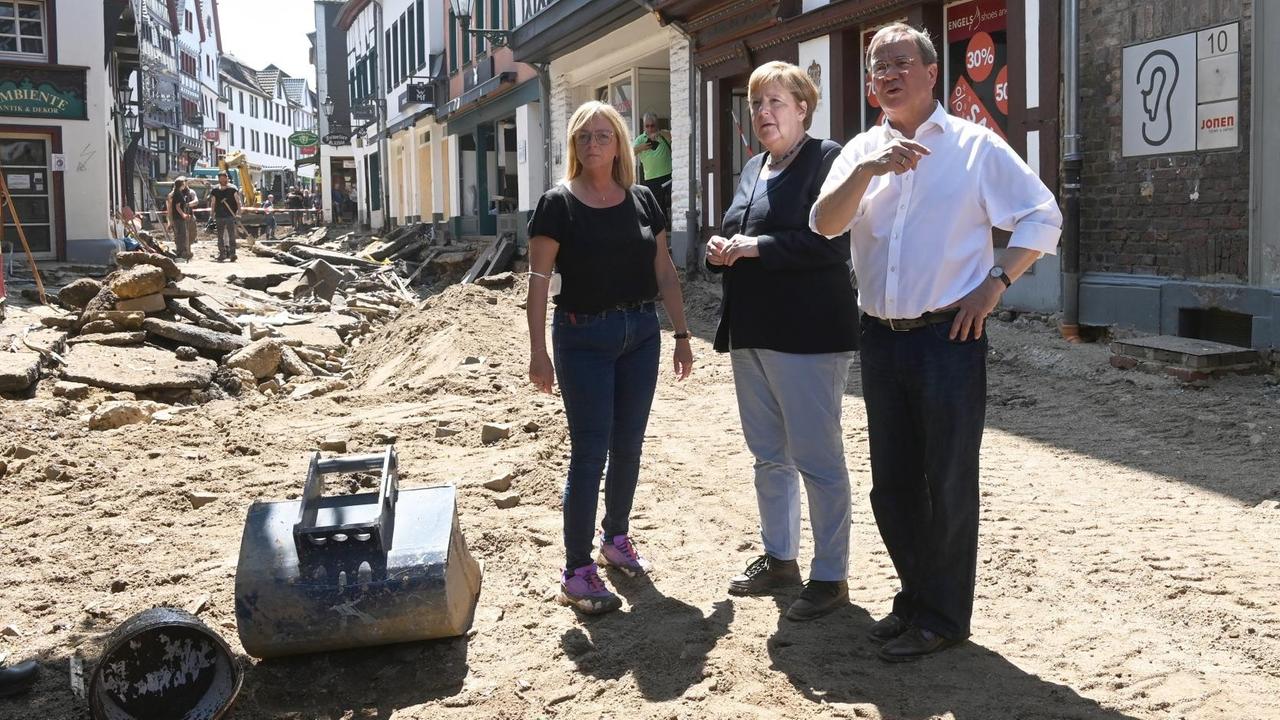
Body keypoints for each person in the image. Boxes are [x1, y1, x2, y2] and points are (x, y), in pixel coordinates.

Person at [811, 23, 1063, 661]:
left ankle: (944, 617)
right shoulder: (860, 151)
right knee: (892, 486)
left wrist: (998, 282)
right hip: (880, 338)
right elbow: (823, 224)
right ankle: (916, 598)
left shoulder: (975, 148)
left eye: (900, 63)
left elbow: (1043, 214)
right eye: (877, 67)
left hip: (948, 338)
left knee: (947, 480)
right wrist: (867, 168)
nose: (887, 75)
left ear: (930, 72)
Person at [526, 100, 694, 615]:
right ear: (574, 146)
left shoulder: (643, 200)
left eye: (603, 135)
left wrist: (683, 333)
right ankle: (578, 569)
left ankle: (615, 538)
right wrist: (538, 352)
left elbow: (664, 270)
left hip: (641, 333)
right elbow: (536, 284)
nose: (594, 143)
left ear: (619, 141)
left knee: (629, 446)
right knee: (589, 452)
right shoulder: (557, 204)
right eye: (584, 136)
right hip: (583, 338)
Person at [706, 61, 860, 621]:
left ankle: (830, 576)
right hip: (752, 330)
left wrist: (757, 248)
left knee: (817, 459)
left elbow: (832, 245)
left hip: (809, 334)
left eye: (775, 102)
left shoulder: (827, 159)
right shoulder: (753, 167)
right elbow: (734, 228)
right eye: (755, 105)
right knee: (769, 456)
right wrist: (721, 248)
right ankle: (780, 559)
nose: (764, 114)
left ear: (803, 107)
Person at [633, 112, 673, 223]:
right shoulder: (640, 139)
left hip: (668, 175)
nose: (650, 128)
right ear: (644, 126)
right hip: (651, 178)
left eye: (652, 125)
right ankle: (663, 226)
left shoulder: (663, 135)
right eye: (647, 126)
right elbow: (629, 152)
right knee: (658, 206)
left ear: (657, 125)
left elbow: (675, 138)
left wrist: (660, 133)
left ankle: (674, 223)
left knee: (672, 201)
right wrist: (642, 147)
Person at [207, 171, 241, 262]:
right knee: (220, 236)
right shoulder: (215, 190)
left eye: (224, 178)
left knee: (231, 235)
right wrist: (211, 214)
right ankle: (222, 254)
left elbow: (238, 202)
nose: (222, 180)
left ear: (227, 178)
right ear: (219, 179)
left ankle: (232, 253)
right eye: (220, 178)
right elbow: (213, 203)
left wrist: (239, 213)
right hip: (219, 216)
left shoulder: (233, 189)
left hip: (230, 215)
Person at [165, 177, 194, 260]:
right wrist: (183, 215)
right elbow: (177, 207)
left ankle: (180, 251)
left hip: (175, 217)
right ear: (182, 185)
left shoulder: (173, 194)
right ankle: (181, 252)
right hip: (179, 218)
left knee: (178, 235)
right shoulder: (178, 194)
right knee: (182, 235)